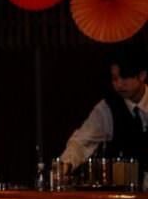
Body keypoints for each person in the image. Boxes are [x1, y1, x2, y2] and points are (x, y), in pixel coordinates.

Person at [59, 45, 147, 175]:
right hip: (126, 188)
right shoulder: (108, 107)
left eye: (125, 77)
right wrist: (63, 167)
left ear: (142, 75)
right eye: (115, 78)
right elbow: (81, 142)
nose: (119, 84)